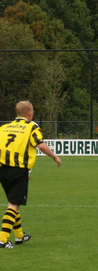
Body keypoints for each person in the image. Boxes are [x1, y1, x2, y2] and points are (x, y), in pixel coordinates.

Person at [0, 101, 62, 248]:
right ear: (29, 114)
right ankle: (2, 239)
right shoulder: (31, 127)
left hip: (2, 169)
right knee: (13, 204)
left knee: (14, 202)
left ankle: (19, 236)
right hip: (18, 170)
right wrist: (54, 156)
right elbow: (41, 145)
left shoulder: (4, 127)